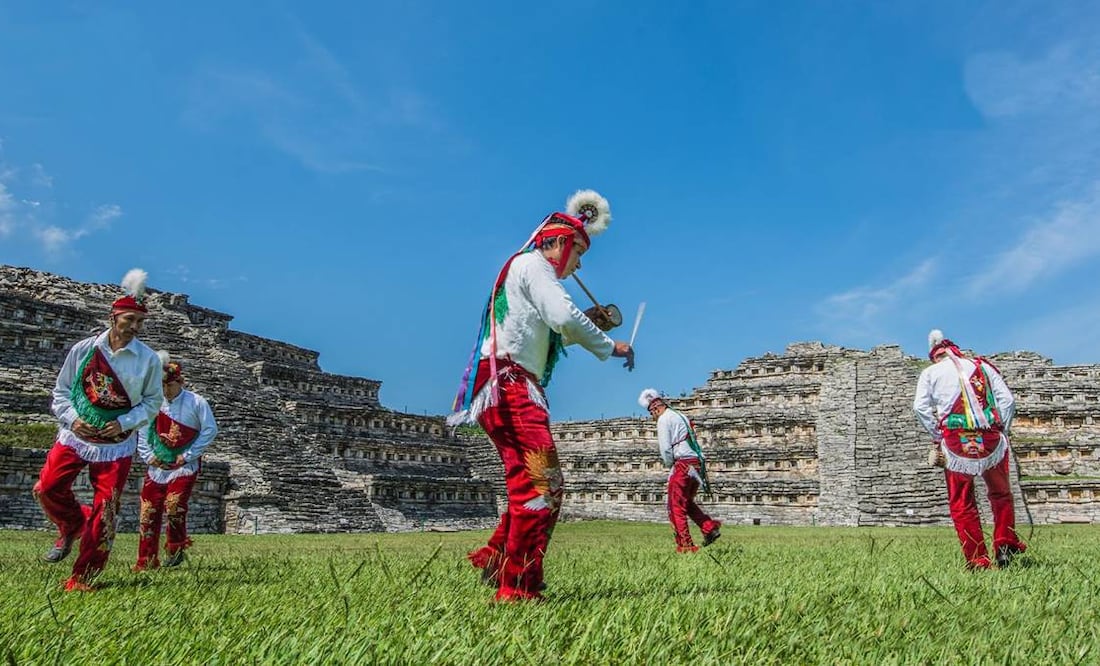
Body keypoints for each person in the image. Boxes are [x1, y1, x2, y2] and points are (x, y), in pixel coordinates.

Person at [451, 190, 635, 602]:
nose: (578, 265)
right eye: (578, 253)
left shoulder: (523, 269)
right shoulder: (534, 265)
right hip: (511, 386)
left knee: (529, 482)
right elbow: (562, 316)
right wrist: (610, 344)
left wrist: (588, 323)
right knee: (542, 486)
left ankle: (499, 560)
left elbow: (545, 332)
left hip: (505, 385)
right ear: (560, 243)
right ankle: (518, 587)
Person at [33, 269, 163, 591]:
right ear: (113, 317)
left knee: (106, 509)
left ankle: (83, 576)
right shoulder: (84, 350)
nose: (134, 327)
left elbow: (152, 402)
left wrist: (123, 423)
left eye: (140, 322)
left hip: (116, 443)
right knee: (47, 488)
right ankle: (72, 523)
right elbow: (62, 391)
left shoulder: (148, 360)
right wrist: (73, 419)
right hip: (76, 434)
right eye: (129, 319)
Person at [913, 329, 1027, 569]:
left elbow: (920, 408)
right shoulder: (983, 367)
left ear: (935, 356)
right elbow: (1007, 401)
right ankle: (1004, 544)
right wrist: (1003, 430)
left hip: (955, 443)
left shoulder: (930, 373)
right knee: (1001, 494)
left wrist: (937, 435)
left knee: (962, 501)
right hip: (992, 441)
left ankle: (977, 558)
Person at [133, 353, 218, 571]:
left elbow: (209, 430)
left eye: (169, 385)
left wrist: (188, 455)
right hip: (157, 464)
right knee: (148, 510)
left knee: (174, 505)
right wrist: (149, 456)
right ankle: (146, 559)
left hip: (184, 465)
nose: (165, 391)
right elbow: (143, 430)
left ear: (180, 382)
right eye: (161, 386)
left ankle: (175, 547)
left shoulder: (196, 402)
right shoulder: (153, 402)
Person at [638, 388, 721, 553]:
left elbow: (666, 449)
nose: (653, 417)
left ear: (655, 408)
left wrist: (671, 466)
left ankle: (685, 545)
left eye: (651, 413)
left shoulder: (663, 419)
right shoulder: (680, 415)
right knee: (686, 501)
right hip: (696, 464)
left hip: (682, 464)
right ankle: (708, 527)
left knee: (675, 505)